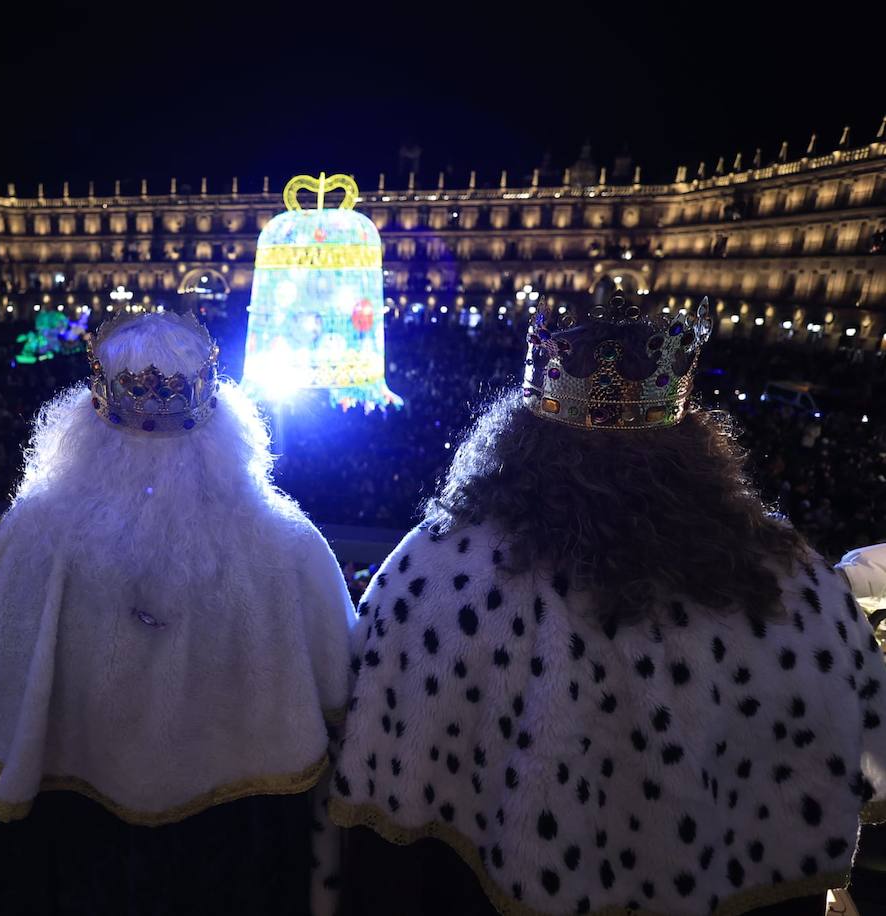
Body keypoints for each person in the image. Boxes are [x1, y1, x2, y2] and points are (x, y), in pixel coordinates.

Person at [331, 296, 886, 916]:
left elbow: (368, 759)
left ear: (519, 434)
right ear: (693, 445)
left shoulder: (435, 569)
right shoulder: (795, 589)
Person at [0, 311, 355, 915]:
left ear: (88, 418)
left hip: (75, 840)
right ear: (220, 418)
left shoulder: (33, 532)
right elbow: (336, 691)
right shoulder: (286, 541)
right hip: (231, 842)